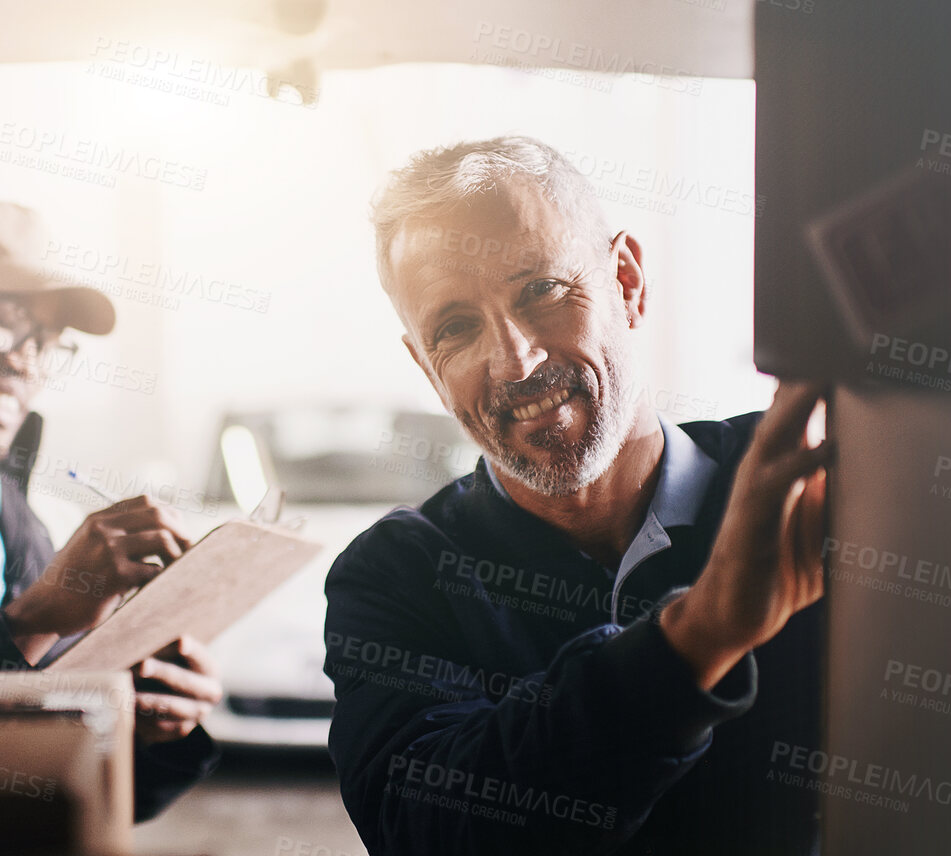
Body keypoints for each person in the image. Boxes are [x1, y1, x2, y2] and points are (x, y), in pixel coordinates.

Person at [323, 137, 832, 854]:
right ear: (425, 365)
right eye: (456, 327)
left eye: (540, 290)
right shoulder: (395, 575)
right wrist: (698, 634)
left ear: (625, 280)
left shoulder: (802, 489)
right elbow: (428, 832)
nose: (515, 359)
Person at [0, 200, 221, 822]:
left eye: (48, 340)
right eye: (0, 322)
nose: (26, 361)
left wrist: (145, 734)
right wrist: (32, 622)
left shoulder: (39, 528)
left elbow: (59, 794)